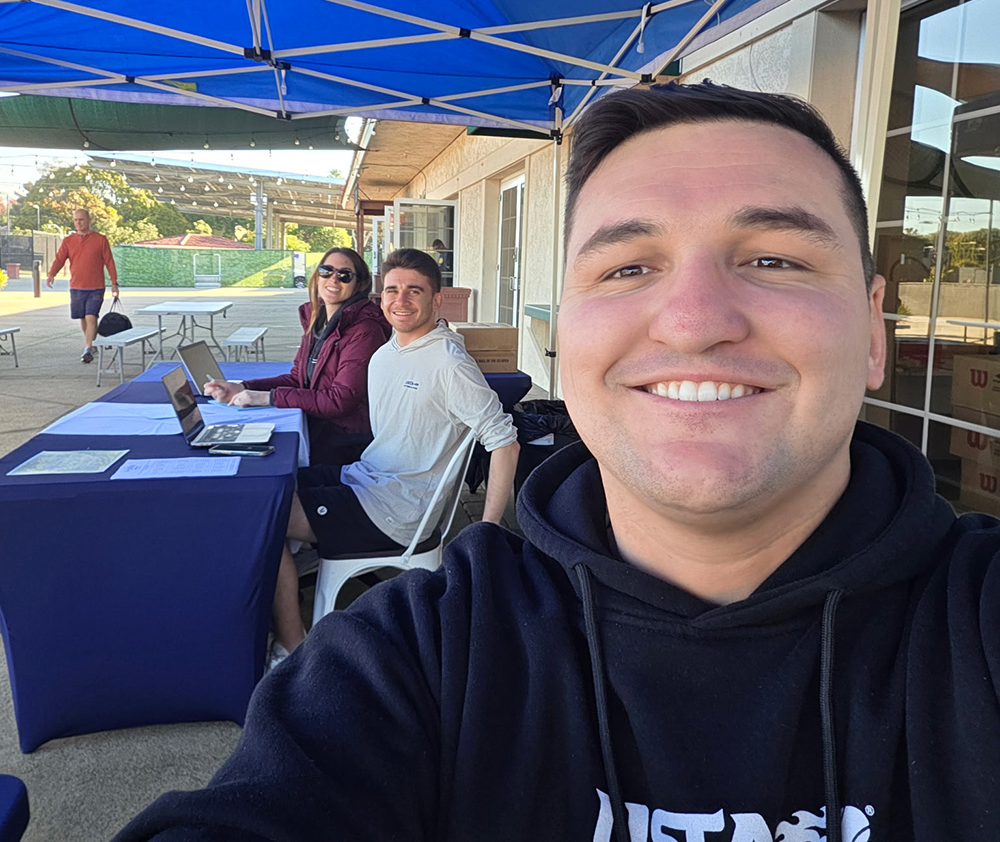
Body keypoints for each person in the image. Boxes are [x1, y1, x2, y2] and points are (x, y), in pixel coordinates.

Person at [112, 84, 1000, 842]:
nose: (693, 321)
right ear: (567, 333)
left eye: (774, 258)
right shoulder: (419, 655)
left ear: (876, 331)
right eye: (625, 268)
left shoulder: (977, 628)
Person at [266, 246, 519, 664]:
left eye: (414, 291)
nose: (401, 301)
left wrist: (487, 530)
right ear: (380, 296)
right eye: (392, 290)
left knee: (265, 513)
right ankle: (287, 581)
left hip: (397, 512)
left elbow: (504, 441)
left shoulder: (449, 363)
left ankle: (293, 644)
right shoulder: (386, 351)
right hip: (367, 478)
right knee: (274, 483)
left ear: (437, 300)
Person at [204, 247, 390, 467]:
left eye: (344, 275)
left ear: (359, 284)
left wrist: (268, 398)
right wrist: (243, 387)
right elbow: (297, 380)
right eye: (326, 271)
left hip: (344, 442)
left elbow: (339, 401)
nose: (333, 279)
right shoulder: (319, 321)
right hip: (318, 428)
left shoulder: (365, 330)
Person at [46, 208, 119, 363]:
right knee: (83, 318)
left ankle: (88, 348)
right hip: (77, 286)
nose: (78, 222)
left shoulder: (100, 239)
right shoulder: (69, 241)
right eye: (76, 220)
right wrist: (52, 273)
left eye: (82, 219)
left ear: (89, 221)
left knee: (91, 316)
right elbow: (60, 259)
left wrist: (114, 283)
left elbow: (109, 262)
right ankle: (91, 345)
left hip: (96, 287)